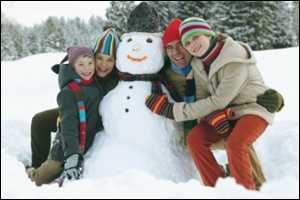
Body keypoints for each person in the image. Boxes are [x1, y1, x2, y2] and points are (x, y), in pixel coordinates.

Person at [146, 17, 284, 190]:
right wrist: (209, 115)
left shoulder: (225, 56)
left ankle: (249, 189)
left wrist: (272, 97)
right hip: (211, 116)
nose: (177, 52)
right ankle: (217, 189)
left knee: (237, 141)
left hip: (240, 111)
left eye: (181, 44)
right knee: (197, 139)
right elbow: (207, 98)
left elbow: (227, 93)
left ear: (208, 34)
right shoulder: (172, 71)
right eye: (170, 48)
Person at [29, 29, 119, 170]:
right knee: (40, 120)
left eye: (109, 60)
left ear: (116, 62)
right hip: (77, 109)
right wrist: (66, 71)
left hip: (92, 118)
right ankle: (38, 165)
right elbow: (74, 68)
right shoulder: (88, 69)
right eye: (99, 58)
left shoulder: (116, 79)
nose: (103, 64)